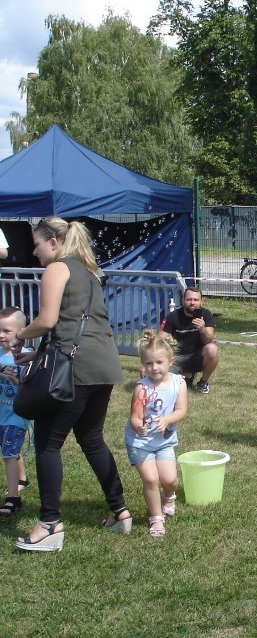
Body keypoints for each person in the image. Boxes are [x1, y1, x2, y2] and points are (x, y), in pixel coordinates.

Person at [14, 217, 129, 553]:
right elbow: (74, 323)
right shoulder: (89, 272)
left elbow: (47, 320)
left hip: (74, 370)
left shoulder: (56, 269)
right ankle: (120, 510)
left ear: (53, 241)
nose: (34, 252)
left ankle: (50, 524)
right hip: (104, 364)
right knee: (92, 438)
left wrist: (18, 336)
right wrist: (37, 352)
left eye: (36, 244)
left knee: (48, 443)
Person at [125, 330, 187, 538]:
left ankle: (168, 496)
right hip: (140, 442)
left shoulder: (179, 383)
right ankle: (156, 518)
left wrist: (167, 420)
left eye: (159, 362)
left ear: (170, 361)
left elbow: (181, 410)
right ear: (143, 364)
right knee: (151, 479)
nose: (154, 368)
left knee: (170, 480)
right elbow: (135, 416)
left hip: (164, 441)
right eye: (149, 363)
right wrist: (138, 426)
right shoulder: (141, 389)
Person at [159, 287, 219, 394]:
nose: (192, 303)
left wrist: (202, 329)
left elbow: (208, 340)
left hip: (196, 357)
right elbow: (159, 341)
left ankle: (203, 382)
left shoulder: (206, 315)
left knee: (212, 349)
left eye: (196, 300)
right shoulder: (173, 317)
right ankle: (186, 375)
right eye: (189, 299)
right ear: (183, 300)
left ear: (201, 301)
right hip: (176, 358)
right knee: (154, 378)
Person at [0, 308, 30, 517]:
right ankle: (22, 480)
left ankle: (13, 498)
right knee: (9, 450)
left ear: (21, 332)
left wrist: (14, 379)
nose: (1, 335)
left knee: (8, 454)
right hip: (1, 414)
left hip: (15, 416)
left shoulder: (25, 357)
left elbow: (29, 388)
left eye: (7, 331)